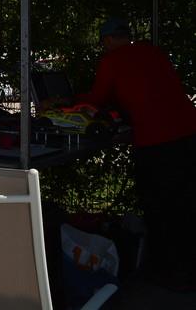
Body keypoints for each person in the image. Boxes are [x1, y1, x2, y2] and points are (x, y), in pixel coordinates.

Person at [78, 18, 196, 291]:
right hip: (188, 135)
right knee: (186, 204)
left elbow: (97, 98)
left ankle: (166, 272)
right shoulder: (154, 52)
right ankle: (186, 268)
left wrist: (67, 102)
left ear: (107, 40)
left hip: (157, 142)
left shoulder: (113, 61)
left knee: (159, 206)